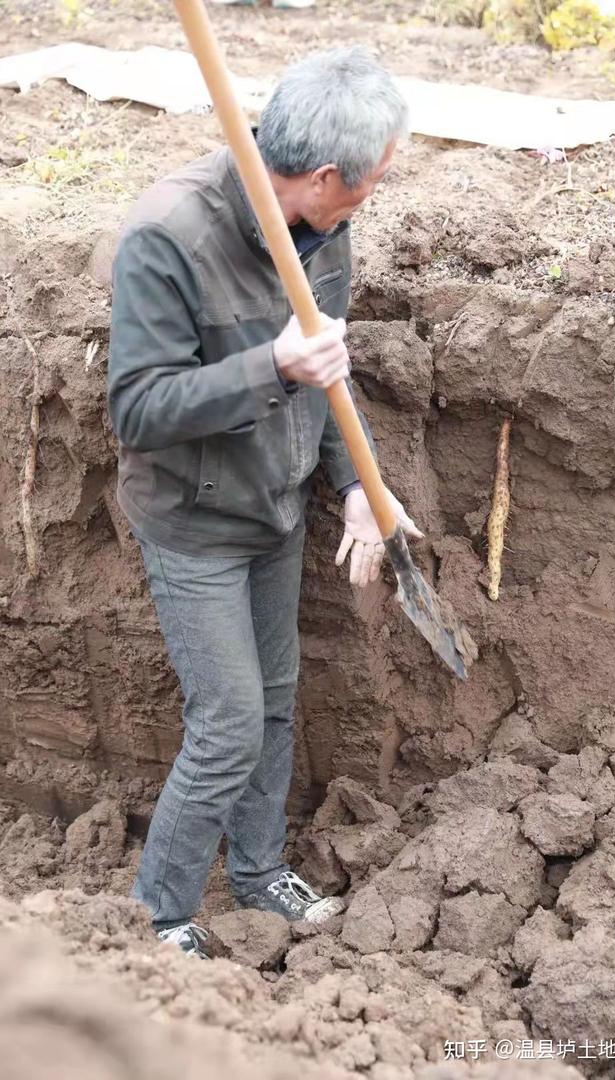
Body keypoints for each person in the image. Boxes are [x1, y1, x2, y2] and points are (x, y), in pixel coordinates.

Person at [107, 46, 420, 960]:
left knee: (276, 700)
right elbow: (138, 408)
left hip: (274, 506)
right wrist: (270, 364)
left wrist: (358, 485)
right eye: (370, 184)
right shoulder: (169, 234)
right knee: (231, 718)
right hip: (194, 522)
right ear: (325, 176)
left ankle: (256, 872)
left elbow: (325, 378)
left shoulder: (325, 233)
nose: (371, 197)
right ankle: (158, 912)